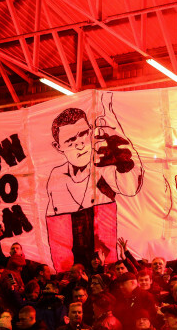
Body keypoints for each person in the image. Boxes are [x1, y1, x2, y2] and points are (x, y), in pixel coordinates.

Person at [45, 98, 144, 271]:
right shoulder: (56, 177)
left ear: (91, 132)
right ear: (58, 146)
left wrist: (114, 140)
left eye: (83, 134)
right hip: (73, 268)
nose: (80, 144)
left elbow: (131, 187)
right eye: (70, 140)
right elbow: (57, 238)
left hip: (108, 263)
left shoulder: (103, 168)